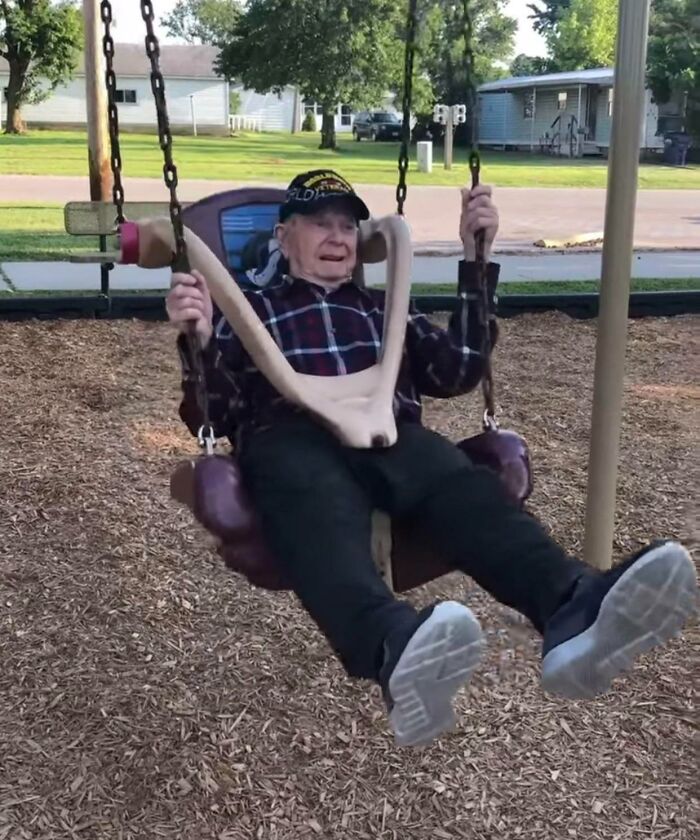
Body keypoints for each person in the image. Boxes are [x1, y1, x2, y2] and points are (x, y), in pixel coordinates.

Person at [166, 170, 697, 748]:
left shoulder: (380, 309)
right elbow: (215, 414)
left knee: (456, 481)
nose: (337, 236)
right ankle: (391, 646)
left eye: (348, 225)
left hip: (388, 433)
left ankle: (572, 605)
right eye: (320, 223)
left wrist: (475, 259)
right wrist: (202, 336)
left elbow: (458, 368)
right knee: (312, 498)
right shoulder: (253, 312)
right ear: (285, 236)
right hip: (292, 439)